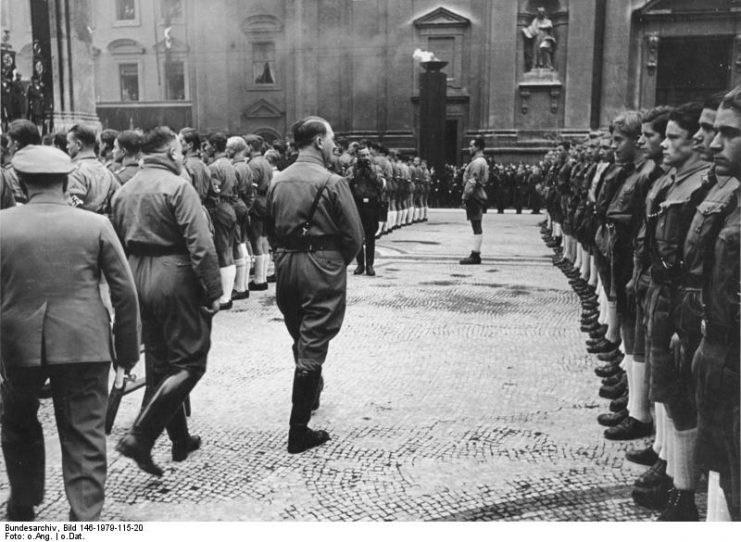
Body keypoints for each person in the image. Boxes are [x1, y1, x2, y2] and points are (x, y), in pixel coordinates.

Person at [0, 145, 141, 521]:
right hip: (85, 341)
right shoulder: (94, 225)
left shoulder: (2, 224)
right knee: (84, 431)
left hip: (16, 344)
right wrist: (126, 352)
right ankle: (84, 517)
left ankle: (23, 502)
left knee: (17, 424)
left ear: (20, 182)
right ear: (65, 182)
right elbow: (125, 294)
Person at [111, 126, 222, 477]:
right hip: (173, 273)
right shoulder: (178, 186)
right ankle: (140, 437)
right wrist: (213, 291)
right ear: (172, 152)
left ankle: (180, 440)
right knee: (191, 361)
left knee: (160, 362)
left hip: (136, 273)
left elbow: (116, 241)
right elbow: (201, 246)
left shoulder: (124, 190)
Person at [266, 116, 362, 454]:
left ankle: (312, 391)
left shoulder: (278, 181)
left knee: (301, 332)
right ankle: (299, 430)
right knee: (314, 339)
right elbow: (355, 235)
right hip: (321, 266)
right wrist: (334, 262)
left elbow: (269, 227)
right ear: (319, 141)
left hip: (287, 266)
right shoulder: (334, 181)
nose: (335, 145)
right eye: (332, 139)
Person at [693, 86, 741, 521]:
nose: (711, 144)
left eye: (728, 134)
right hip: (723, 365)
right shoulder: (734, 202)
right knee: (725, 475)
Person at [66, 124, 121, 214]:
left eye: (68, 143)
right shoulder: (107, 172)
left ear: (79, 144)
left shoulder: (75, 171)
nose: (67, 147)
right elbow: (118, 201)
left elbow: (73, 206)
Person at [349, 145, 384, 276]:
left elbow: (381, 184)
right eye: (362, 155)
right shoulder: (352, 169)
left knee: (370, 235)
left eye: (367, 155)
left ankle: (370, 265)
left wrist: (372, 174)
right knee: (358, 235)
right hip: (357, 204)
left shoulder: (376, 168)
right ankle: (360, 265)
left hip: (372, 204)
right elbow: (346, 186)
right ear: (357, 156)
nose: (365, 158)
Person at [245, 134, 273, 291]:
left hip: (257, 203)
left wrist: (248, 206)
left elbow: (252, 189)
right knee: (264, 239)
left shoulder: (253, 164)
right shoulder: (265, 162)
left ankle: (259, 280)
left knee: (256, 239)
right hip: (266, 202)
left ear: (250, 147)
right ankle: (262, 278)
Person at [459, 137, 489, 265]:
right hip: (477, 195)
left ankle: (475, 254)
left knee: (476, 225)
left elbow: (472, 181)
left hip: (474, 196)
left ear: (477, 147)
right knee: (476, 224)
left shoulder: (477, 163)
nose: (469, 148)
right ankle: (475, 253)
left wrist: (464, 197)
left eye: (471, 146)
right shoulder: (481, 161)